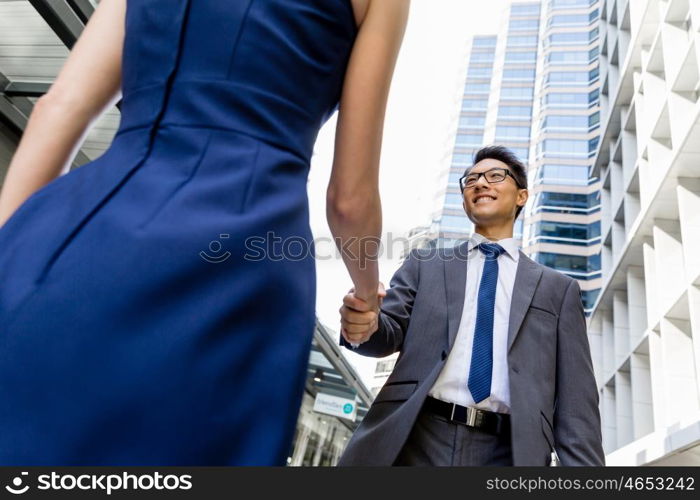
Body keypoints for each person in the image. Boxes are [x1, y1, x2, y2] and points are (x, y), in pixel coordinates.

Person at [0, 0, 409, 465]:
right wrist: (366, 290)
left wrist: (11, 249)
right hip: (238, 251)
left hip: (76, 228)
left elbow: (60, 108)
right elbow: (349, 201)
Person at [337, 145, 605, 466]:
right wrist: (362, 324)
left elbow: (577, 403)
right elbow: (385, 333)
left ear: (521, 196)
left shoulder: (558, 290)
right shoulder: (426, 264)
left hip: (508, 451)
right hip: (416, 438)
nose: (480, 183)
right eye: (471, 179)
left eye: (495, 176)